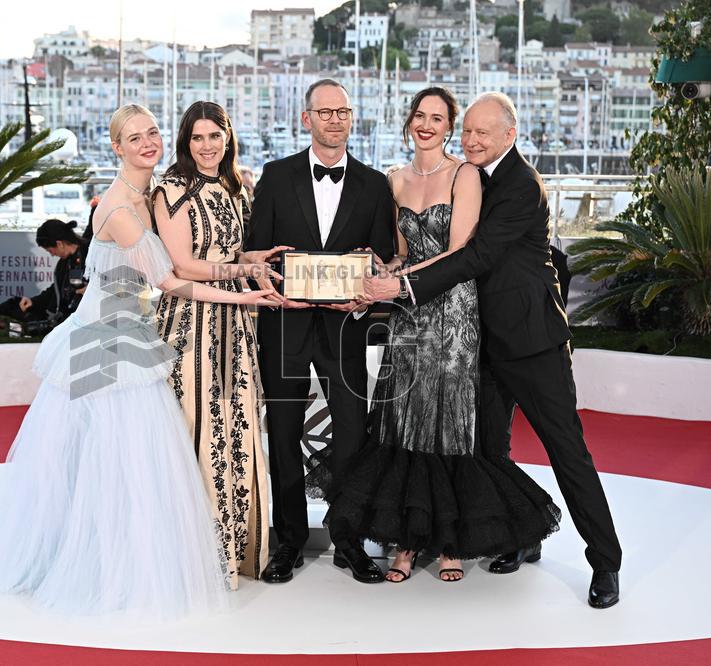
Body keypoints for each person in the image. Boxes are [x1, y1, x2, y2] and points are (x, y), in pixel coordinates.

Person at [0, 104, 277, 617]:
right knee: (113, 464)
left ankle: (121, 560)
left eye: (153, 132)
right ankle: (102, 567)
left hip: (135, 331)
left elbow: (180, 261)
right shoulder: (119, 208)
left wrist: (247, 260)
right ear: (116, 147)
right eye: (134, 137)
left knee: (130, 464)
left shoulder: (150, 194)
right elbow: (169, 280)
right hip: (108, 339)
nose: (147, 142)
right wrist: (243, 295)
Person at [364, 92, 622, 608]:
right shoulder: (469, 178)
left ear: (510, 134)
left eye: (484, 132)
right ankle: (520, 536)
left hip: (532, 343)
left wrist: (403, 289)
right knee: (489, 453)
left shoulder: (522, 183)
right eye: (469, 132)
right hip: (479, 343)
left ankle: (606, 562)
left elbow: (477, 254)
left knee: (567, 452)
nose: (473, 140)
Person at [313, 87, 560, 584]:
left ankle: (449, 542)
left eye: (440, 119)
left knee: (448, 425)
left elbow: (460, 252)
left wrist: (396, 284)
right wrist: (375, 276)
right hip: (408, 315)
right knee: (402, 422)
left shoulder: (465, 174)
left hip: (452, 314)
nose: (428, 125)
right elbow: (403, 252)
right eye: (420, 117)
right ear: (409, 123)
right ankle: (404, 545)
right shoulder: (394, 181)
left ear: (449, 128)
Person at [245, 79, 395, 585]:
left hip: (344, 329)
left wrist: (368, 287)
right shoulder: (275, 174)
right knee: (283, 436)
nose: (334, 119)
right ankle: (287, 541)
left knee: (353, 435)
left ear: (352, 119)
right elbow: (254, 254)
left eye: (343, 111)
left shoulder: (376, 185)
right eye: (324, 112)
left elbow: (378, 259)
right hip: (285, 326)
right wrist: (267, 280)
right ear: (305, 118)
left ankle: (347, 539)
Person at [152, 101, 286, 590]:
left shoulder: (236, 186)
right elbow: (184, 266)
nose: (207, 146)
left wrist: (256, 256)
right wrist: (245, 272)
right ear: (186, 141)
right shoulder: (171, 189)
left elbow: (229, 249)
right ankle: (194, 561)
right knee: (198, 430)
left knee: (238, 429)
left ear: (228, 137)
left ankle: (237, 554)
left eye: (216, 136)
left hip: (239, 321)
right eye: (197, 138)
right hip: (191, 323)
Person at [15, 219, 88, 323]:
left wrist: (92, 291)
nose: (52, 254)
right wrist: (33, 302)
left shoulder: (91, 254)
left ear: (59, 244)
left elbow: (114, 280)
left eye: (50, 250)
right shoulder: (64, 264)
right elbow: (56, 290)